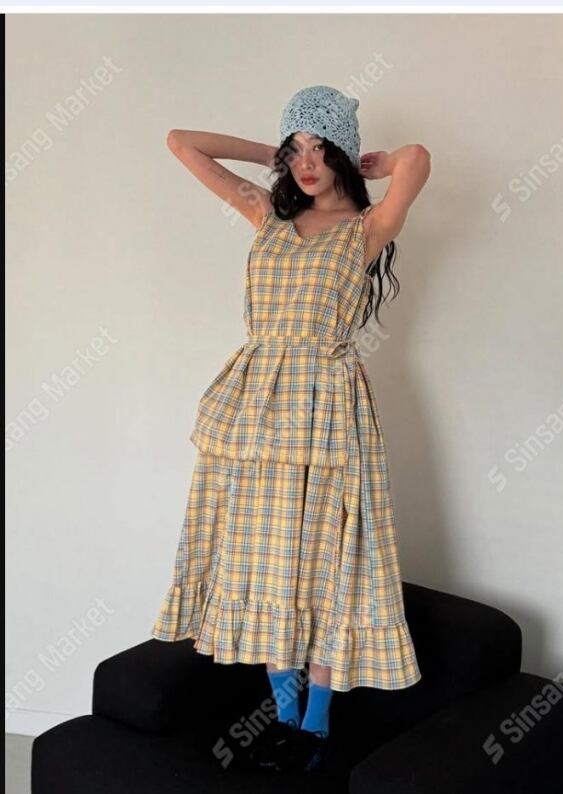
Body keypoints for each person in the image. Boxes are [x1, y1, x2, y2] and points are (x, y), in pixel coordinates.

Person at [151, 84, 431, 774]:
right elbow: (182, 142)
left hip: (329, 411)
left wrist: (379, 159)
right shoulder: (266, 215)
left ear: (342, 153)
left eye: (319, 149)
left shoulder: (366, 229)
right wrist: (273, 154)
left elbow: (418, 159)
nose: (306, 164)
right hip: (255, 413)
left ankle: (315, 724)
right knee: (264, 558)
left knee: (329, 560)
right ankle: (281, 717)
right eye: (295, 150)